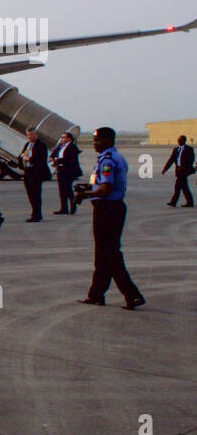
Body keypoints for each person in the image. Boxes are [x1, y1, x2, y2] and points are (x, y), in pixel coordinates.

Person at [76, 126, 144, 310]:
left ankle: (132, 294)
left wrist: (86, 195)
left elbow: (105, 189)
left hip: (107, 209)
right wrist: (89, 188)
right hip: (111, 208)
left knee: (110, 254)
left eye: (97, 140)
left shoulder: (107, 160)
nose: (94, 144)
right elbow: (101, 183)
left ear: (108, 140)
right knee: (102, 255)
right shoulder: (116, 157)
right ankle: (96, 294)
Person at [19, 127, 50, 222]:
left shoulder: (41, 145)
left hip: (36, 173)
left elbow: (41, 159)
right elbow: (22, 155)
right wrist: (22, 159)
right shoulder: (27, 145)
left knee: (36, 194)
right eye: (28, 135)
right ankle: (35, 213)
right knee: (30, 194)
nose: (30, 137)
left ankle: (37, 214)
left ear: (36, 135)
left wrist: (29, 159)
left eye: (32, 134)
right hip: (27, 172)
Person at [51, 131, 82, 215]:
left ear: (69, 139)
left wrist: (57, 160)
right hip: (61, 169)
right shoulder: (61, 146)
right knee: (62, 190)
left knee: (68, 189)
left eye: (64, 137)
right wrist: (54, 158)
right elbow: (53, 154)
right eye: (61, 137)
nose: (62, 139)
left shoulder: (72, 147)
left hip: (69, 171)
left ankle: (73, 206)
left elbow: (68, 159)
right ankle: (63, 208)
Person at [162, 134, 194, 207]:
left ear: (184, 141)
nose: (178, 141)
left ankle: (174, 202)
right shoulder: (176, 149)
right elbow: (171, 160)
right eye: (178, 140)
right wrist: (165, 169)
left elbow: (191, 160)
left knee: (178, 187)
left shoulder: (189, 149)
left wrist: (186, 169)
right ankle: (189, 202)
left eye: (180, 140)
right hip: (178, 171)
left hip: (184, 171)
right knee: (184, 187)